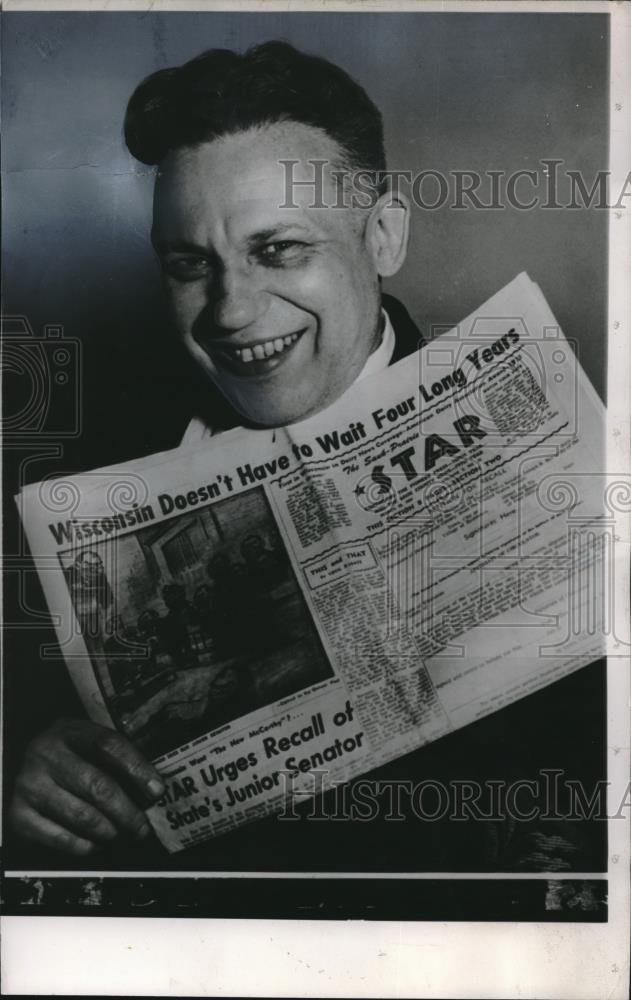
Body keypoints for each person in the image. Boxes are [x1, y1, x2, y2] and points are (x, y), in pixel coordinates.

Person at [7, 42, 603, 872]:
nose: (232, 310)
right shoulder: (76, 481)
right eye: (190, 265)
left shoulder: (574, 467)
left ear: (384, 236)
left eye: (278, 249)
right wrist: (28, 786)